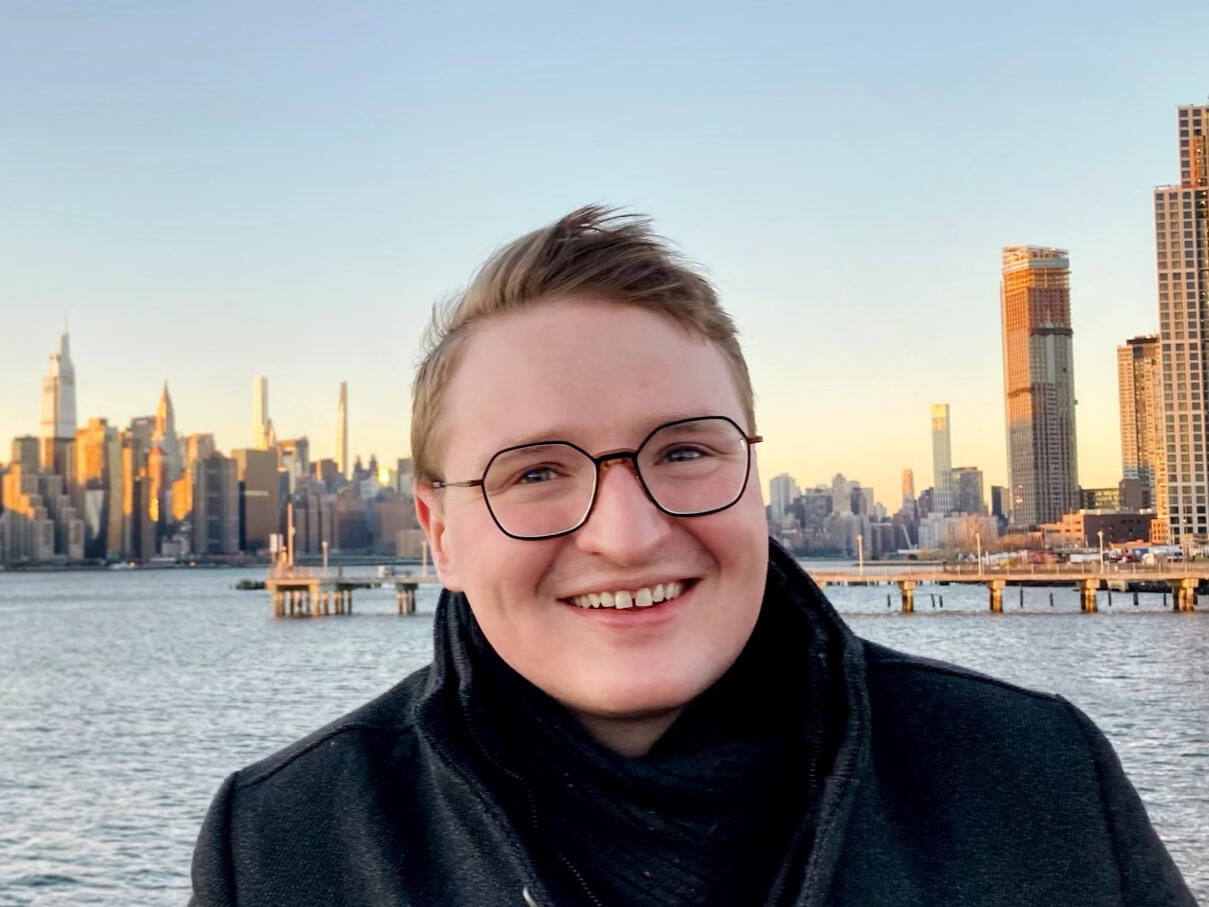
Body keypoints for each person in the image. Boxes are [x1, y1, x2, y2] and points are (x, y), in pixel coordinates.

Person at [190, 207, 1195, 906]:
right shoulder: (287, 841)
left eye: (683, 451)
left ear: (753, 476)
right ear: (440, 530)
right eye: (536, 472)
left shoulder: (1035, 777)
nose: (625, 534)